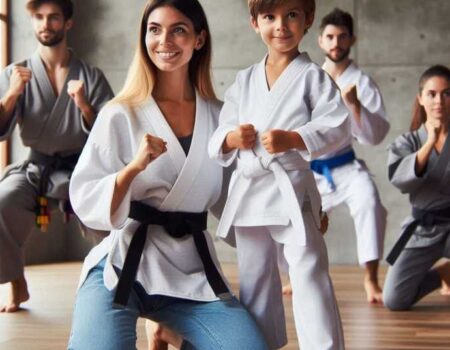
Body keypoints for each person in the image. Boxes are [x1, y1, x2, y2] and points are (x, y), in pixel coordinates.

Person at [67, 1, 268, 349]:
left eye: (179, 30)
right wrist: (133, 169)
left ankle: (168, 329)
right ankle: (164, 328)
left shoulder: (222, 119)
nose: (165, 41)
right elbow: (86, 197)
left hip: (191, 274)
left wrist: (302, 214)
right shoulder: (120, 114)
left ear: (199, 39)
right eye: (155, 29)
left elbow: (240, 195)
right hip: (122, 267)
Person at [208, 0, 349, 348]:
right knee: (255, 276)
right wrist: (230, 138)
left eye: (292, 16)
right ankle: (259, 343)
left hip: (291, 188)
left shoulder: (314, 76)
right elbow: (222, 128)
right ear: (255, 23)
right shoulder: (245, 80)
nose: (281, 26)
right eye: (270, 17)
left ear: (308, 20)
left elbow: (337, 125)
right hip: (252, 189)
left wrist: (295, 138)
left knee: (308, 271)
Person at [0, 0, 113, 313]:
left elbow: (113, 132)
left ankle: (114, 284)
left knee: (110, 218)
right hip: (36, 168)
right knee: (3, 199)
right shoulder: (15, 73)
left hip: (83, 168)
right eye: (38, 17)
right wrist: (12, 93)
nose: (45, 25)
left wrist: (84, 105)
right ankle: (15, 281)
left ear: (68, 23)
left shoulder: (90, 76)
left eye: (53, 18)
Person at [295, 8, 389, 304]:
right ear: (321, 41)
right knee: (292, 216)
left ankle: (370, 278)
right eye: (330, 37)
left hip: (345, 166)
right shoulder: (308, 78)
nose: (336, 43)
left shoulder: (361, 82)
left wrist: (355, 106)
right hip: (311, 167)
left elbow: (374, 137)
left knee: (370, 202)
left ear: (352, 40)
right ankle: (293, 277)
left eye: (342, 37)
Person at [383, 65, 450, 310]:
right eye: (432, 94)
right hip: (423, 227)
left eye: (446, 93)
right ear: (421, 98)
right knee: (394, 300)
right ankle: (443, 273)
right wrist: (430, 143)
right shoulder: (407, 141)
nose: (439, 101)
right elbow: (400, 179)